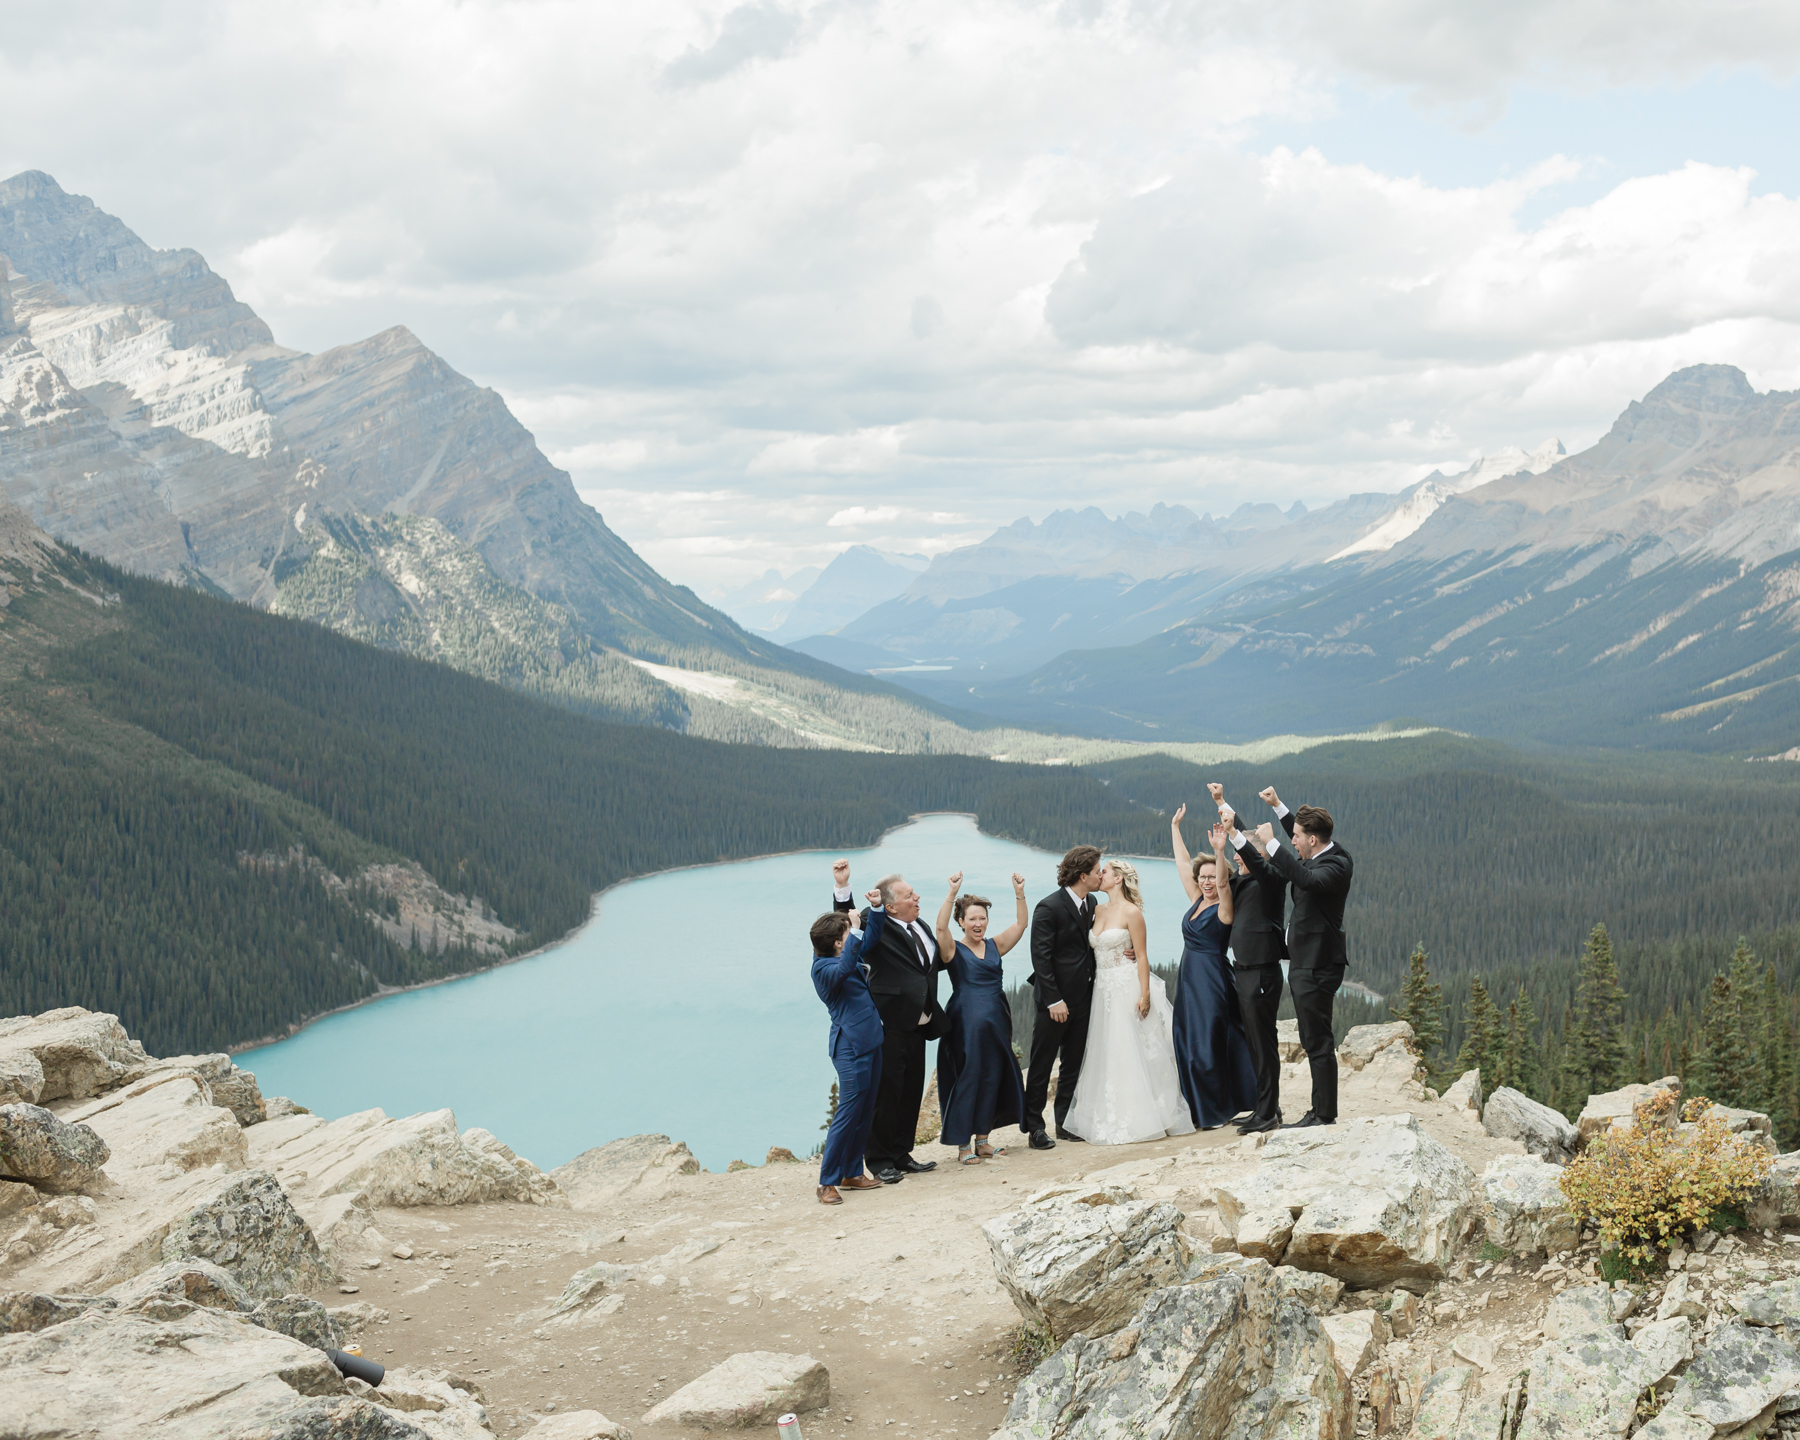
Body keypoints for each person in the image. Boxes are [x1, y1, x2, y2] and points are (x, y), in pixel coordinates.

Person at [1060, 860, 1194, 1145]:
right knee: (1106, 1049)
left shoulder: (1132, 912)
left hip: (1126, 985)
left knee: (1132, 1048)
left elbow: (1142, 956)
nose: (1100, 875)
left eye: (1104, 871)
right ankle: (1110, 1113)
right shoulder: (1096, 909)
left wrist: (1144, 995)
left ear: (1118, 879)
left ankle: (1145, 1115)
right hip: (1102, 989)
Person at [1246, 788, 1354, 1129]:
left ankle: (1322, 1115)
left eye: (1295, 837)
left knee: (1317, 1041)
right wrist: (1278, 806)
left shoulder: (1335, 865)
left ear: (1312, 839)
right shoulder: (1319, 849)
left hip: (1318, 965)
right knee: (1312, 1038)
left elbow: (1304, 877)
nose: (1292, 840)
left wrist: (1271, 844)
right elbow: (1301, 836)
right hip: (1307, 962)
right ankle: (1320, 1111)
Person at [830, 860, 944, 1180]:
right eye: (910, 895)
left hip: (920, 1022)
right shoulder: (876, 922)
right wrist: (843, 888)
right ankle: (879, 1161)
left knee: (909, 1090)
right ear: (891, 906)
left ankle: (901, 1153)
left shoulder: (919, 924)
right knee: (887, 1093)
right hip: (890, 1021)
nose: (917, 897)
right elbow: (845, 923)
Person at [1168, 809, 1258, 1130]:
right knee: (1187, 1040)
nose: (1207, 881)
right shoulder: (1196, 899)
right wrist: (1175, 827)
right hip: (1189, 982)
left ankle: (1217, 1111)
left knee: (1207, 1044)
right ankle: (1197, 1109)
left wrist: (1220, 851)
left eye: (1210, 878)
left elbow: (1222, 881)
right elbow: (1182, 863)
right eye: (1202, 877)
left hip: (1212, 982)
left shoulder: (1224, 905)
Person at [932, 871, 1030, 1165]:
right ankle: (963, 1145)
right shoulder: (952, 950)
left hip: (997, 1020)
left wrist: (1019, 893)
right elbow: (939, 927)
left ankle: (983, 1141)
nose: (978, 923)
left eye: (982, 918)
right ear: (960, 921)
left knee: (992, 1076)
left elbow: (1022, 924)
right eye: (972, 919)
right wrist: (952, 893)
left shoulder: (995, 945)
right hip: (965, 1023)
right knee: (968, 1078)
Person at [1209, 784, 1287, 1135]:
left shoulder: (1272, 878)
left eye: (1242, 856)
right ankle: (1266, 1105)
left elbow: (1252, 851)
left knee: (1263, 1041)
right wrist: (1222, 804)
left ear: (1260, 856)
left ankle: (1268, 1113)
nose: (1237, 860)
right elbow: (1245, 840)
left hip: (1261, 973)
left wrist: (1237, 838)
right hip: (1244, 972)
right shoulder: (1244, 880)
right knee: (1254, 1041)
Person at [809, 888, 891, 1204]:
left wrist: (877, 909)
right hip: (850, 1047)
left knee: (864, 1109)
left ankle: (851, 1173)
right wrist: (854, 927)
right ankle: (826, 1182)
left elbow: (867, 941)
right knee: (847, 1112)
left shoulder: (842, 953)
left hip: (871, 1040)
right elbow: (845, 968)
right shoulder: (824, 968)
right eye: (845, 933)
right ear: (838, 943)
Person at [1023, 845, 1104, 1148]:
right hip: (1054, 1002)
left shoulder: (1093, 901)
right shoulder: (1048, 907)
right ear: (1083, 875)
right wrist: (1053, 1000)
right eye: (1098, 871)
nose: (1102, 875)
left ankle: (1064, 1123)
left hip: (1084, 996)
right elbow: (1040, 958)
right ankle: (1034, 1128)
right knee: (1042, 1064)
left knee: (1073, 1062)